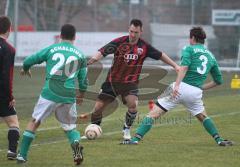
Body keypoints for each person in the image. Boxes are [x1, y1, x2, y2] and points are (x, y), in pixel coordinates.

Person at [121, 26, 233, 146]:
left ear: (193, 38)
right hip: (195, 92)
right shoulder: (211, 56)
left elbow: (183, 68)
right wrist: (201, 87)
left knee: (153, 114)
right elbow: (219, 81)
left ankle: (136, 139)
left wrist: (177, 86)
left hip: (180, 87)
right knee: (203, 116)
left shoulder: (189, 49)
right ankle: (219, 140)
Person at [87, 19, 179, 140]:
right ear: (128, 30)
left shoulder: (144, 46)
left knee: (133, 105)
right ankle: (94, 129)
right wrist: (94, 59)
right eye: (131, 31)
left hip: (130, 84)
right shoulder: (119, 42)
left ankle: (126, 129)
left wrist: (175, 65)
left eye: (136, 32)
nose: (133, 34)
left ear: (141, 32)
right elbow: (103, 51)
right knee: (98, 108)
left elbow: (161, 55)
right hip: (112, 82)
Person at [16, 24, 88, 165]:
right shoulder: (80, 55)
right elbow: (84, 81)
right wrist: (81, 95)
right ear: (74, 37)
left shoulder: (52, 49)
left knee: (34, 122)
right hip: (68, 94)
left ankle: (22, 155)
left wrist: (26, 68)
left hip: (49, 93)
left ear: (60, 36)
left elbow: (28, 61)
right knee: (70, 128)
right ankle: (77, 150)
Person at [0, 16, 20, 160]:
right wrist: (10, 96)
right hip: (1, 93)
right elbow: (7, 76)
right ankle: (12, 152)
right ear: (9, 29)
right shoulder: (9, 49)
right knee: (13, 123)